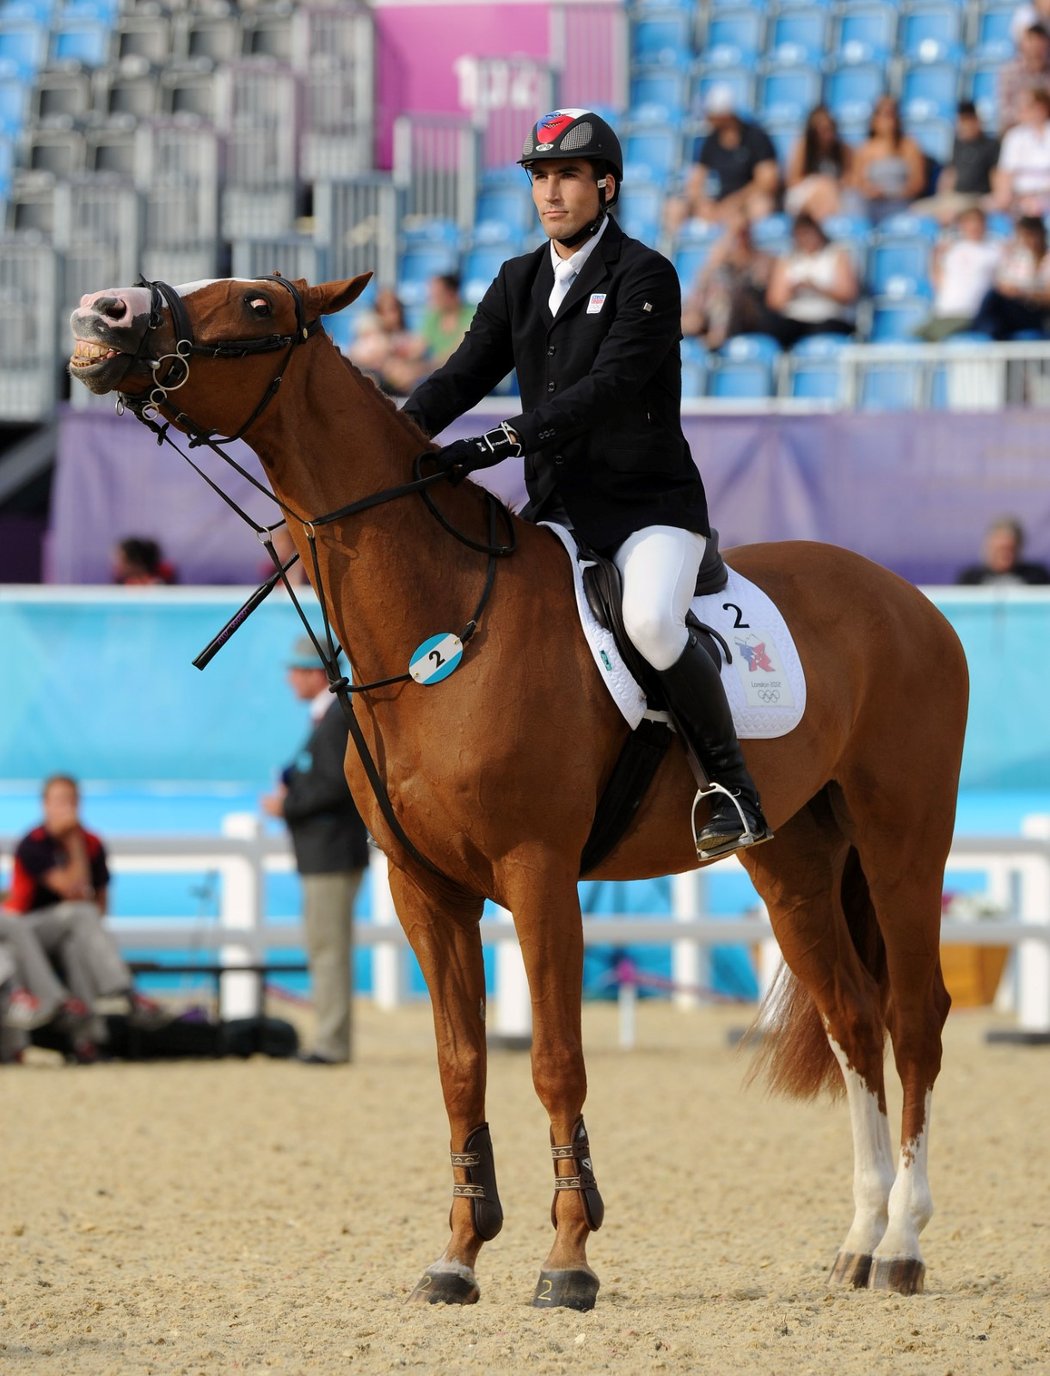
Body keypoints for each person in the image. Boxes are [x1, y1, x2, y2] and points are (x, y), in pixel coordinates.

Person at [400, 107, 773, 859]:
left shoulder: (645, 275)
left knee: (652, 623)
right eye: (539, 177)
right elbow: (462, 375)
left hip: (649, 509)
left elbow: (608, 387)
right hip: (560, 510)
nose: (550, 192)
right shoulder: (518, 279)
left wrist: (507, 439)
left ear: (605, 185)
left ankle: (731, 786)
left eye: (566, 175)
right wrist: (396, 437)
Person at [261, 637, 370, 1064]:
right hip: (327, 850)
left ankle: (332, 1041)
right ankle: (330, 1036)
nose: (289, 679)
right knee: (326, 945)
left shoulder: (337, 718)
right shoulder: (329, 718)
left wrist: (285, 804)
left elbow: (335, 784)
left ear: (312, 673)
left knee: (328, 947)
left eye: (295, 670)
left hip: (331, 850)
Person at [2, 775, 164, 1061]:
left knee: (75, 945)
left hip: (59, 933)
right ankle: (120, 993)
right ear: (45, 805)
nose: (67, 807)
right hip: (26, 929)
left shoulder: (93, 844)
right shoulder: (33, 843)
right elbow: (73, 891)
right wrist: (74, 843)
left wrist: (76, 844)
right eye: (59, 800)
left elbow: (100, 907)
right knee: (73, 917)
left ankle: (86, 1043)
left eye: (72, 800)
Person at [665, 85, 780, 233]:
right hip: (721, 200)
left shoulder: (756, 137)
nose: (708, 119)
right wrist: (703, 204)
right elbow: (695, 181)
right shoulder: (711, 140)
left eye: (712, 115)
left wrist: (734, 202)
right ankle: (672, 250)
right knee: (675, 208)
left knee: (760, 206)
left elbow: (767, 181)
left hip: (746, 199)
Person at [680, 210, 777, 348]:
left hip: (748, 312)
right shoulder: (724, 258)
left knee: (721, 293)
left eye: (742, 232)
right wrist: (727, 242)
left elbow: (760, 283)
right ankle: (693, 318)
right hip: (714, 308)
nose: (739, 238)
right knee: (712, 282)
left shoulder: (761, 258)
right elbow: (703, 277)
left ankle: (715, 335)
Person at [764, 212, 860, 348]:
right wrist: (793, 289)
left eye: (808, 234)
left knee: (822, 333)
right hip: (796, 318)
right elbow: (774, 301)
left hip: (829, 317)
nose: (805, 239)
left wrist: (816, 288)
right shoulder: (787, 259)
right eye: (801, 235)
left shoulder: (836, 255)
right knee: (775, 329)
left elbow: (848, 294)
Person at [914, 206, 1003, 341]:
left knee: (932, 339)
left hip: (970, 314)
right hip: (943, 312)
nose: (974, 227)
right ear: (961, 225)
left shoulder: (995, 250)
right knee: (913, 339)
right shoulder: (952, 249)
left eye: (977, 222)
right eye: (969, 222)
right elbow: (937, 277)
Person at [911, 102, 1001, 223]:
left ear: (976, 121)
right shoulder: (957, 144)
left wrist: (995, 199)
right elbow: (950, 174)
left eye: (967, 121)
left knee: (950, 213)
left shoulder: (991, 145)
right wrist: (942, 198)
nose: (963, 126)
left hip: (976, 198)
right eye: (961, 121)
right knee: (915, 210)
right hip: (955, 196)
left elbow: (996, 174)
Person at [849, 95, 927, 227]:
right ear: (874, 119)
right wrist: (870, 191)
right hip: (870, 206)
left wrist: (890, 193)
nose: (887, 119)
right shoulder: (864, 149)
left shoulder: (909, 146)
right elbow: (856, 182)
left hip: (900, 204)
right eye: (883, 113)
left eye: (891, 113)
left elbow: (918, 183)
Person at [970, 213, 1050, 338]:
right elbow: (1003, 285)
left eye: (1032, 235)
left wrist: (1024, 293)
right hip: (1015, 310)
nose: (1030, 241)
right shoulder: (1019, 260)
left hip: (1038, 314)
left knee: (994, 300)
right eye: (1025, 236)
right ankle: (986, 330)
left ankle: (981, 328)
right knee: (994, 297)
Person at [346, 286, 428, 396]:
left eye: (393, 309)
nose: (390, 316)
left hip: (400, 388)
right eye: (382, 311)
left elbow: (418, 353)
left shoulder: (408, 337)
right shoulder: (370, 336)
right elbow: (356, 356)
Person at [784, 105, 856, 222]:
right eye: (821, 129)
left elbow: (850, 178)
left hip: (836, 193)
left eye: (830, 128)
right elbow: (793, 180)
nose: (826, 134)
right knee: (824, 188)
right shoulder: (802, 148)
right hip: (805, 194)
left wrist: (832, 183)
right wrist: (818, 182)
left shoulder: (844, 150)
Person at [991, 87, 1050, 216]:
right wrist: (1007, 198)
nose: (1022, 110)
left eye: (1028, 106)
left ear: (1042, 107)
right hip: (1019, 199)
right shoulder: (1015, 136)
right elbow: (1005, 173)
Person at [956, 516, 1050, 584]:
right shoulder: (970, 579)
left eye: (1010, 549)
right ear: (988, 548)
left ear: (1019, 548)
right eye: (1000, 549)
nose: (1005, 555)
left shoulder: (1037, 577)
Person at [998, 23, 1050, 133]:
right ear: (1022, 44)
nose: (1035, 46)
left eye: (1039, 41)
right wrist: (1027, 116)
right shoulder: (1009, 72)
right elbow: (1004, 110)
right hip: (1017, 128)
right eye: (1031, 40)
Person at [418, 272, 475, 371]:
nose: (431, 298)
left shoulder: (473, 315)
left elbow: (458, 354)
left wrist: (421, 369)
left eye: (436, 294)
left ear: (451, 293)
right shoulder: (433, 316)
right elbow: (419, 347)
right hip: (439, 371)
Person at [112, 535, 177, 585]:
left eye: (123, 561)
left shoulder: (158, 586)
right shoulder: (120, 586)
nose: (118, 565)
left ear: (137, 561)